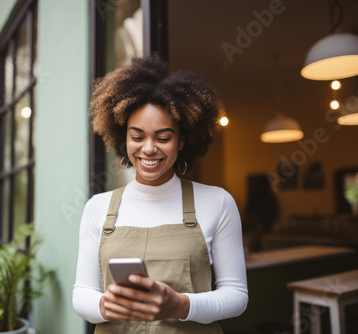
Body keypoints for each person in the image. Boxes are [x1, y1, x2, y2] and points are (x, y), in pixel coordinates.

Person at [73, 55, 248, 333]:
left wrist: (180, 305)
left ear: (183, 140)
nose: (149, 148)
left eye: (163, 137)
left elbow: (237, 296)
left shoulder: (217, 202)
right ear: (123, 137)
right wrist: (106, 306)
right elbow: (82, 293)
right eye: (137, 136)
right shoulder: (98, 207)